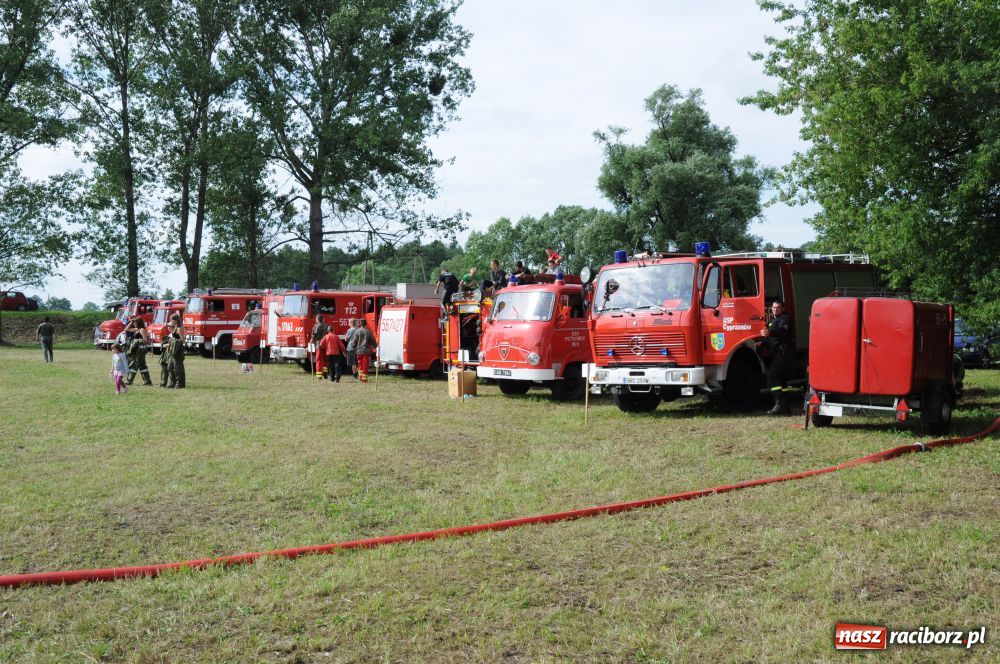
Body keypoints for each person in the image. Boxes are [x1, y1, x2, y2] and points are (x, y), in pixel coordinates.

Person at [761, 300, 795, 415]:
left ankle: (778, 406)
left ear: (783, 309)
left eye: (778, 308)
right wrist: (762, 342)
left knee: (772, 379)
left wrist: (770, 333)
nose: (775, 309)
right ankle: (785, 408)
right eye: (774, 308)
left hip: (783, 353)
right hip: (781, 353)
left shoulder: (785, 319)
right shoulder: (775, 320)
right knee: (782, 382)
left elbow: (782, 331)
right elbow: (773, 338)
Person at [124, 318, 152, 385]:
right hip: (136, 349)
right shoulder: (137, 329)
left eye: (135, 322)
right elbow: (126, 329)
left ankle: (129, 380)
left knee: (134, 364)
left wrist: (137, 341)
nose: (134, 324)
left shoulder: (142, 330)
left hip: (140, 350)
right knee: (142, 366)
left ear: (138, 323)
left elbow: (145, 340)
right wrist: (131, 322)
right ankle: (147, 381)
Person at [353, 319, 377, 383]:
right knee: (365, 365)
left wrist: (353, 347)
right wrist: (376, 348)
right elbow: (373, 341)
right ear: (366, 324)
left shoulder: (357, 331)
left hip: (359, 351)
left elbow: (354, 342)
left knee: (360, 364)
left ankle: (360, 377)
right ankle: (364, 379)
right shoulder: (369, 332)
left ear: (360, 324)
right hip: (366, 351)